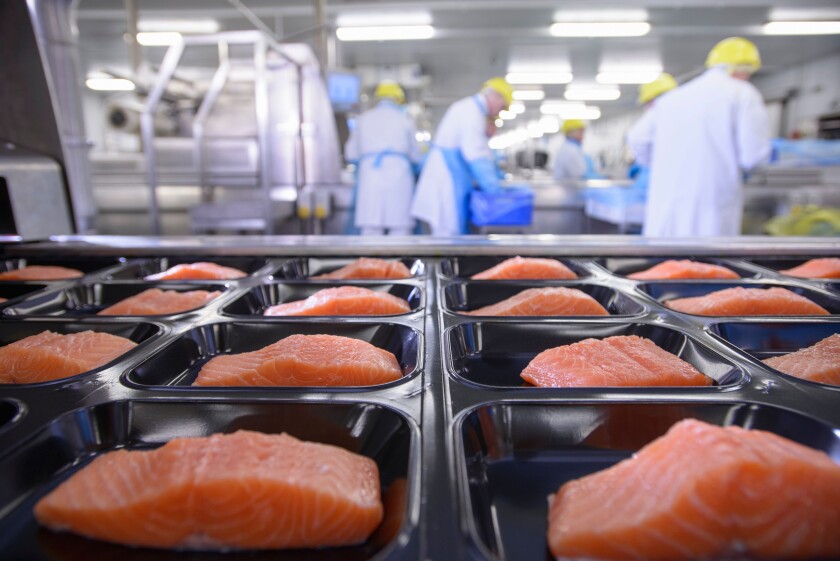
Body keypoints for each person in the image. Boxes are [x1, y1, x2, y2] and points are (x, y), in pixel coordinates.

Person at [627, 37, 770, 237]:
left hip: (665, 215)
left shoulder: (672, 98)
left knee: (664, 264)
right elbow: (753, 156)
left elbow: (637, 138)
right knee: (707, 265)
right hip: (711, 209)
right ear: (744, 69)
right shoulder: (743, 93)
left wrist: (658, 164)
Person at [410, 77, 513, 236]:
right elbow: (476, 155)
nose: (501, 111)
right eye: (503, 106)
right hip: (445, 182)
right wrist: (494, 188)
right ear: (496, 96)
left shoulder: (472, 110)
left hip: (449, 180)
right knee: (446, 236)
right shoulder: (471, 111)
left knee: (448, 235)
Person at [344, 80, 421, 236]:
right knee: (400, 229)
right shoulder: (405, 119)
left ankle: (369, 260)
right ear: (398, 99)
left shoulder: (363, 119)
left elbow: (350, 153)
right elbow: (416, 156)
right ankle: (400, 260)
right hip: (400, 180)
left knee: (370, 228)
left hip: (370, 178)